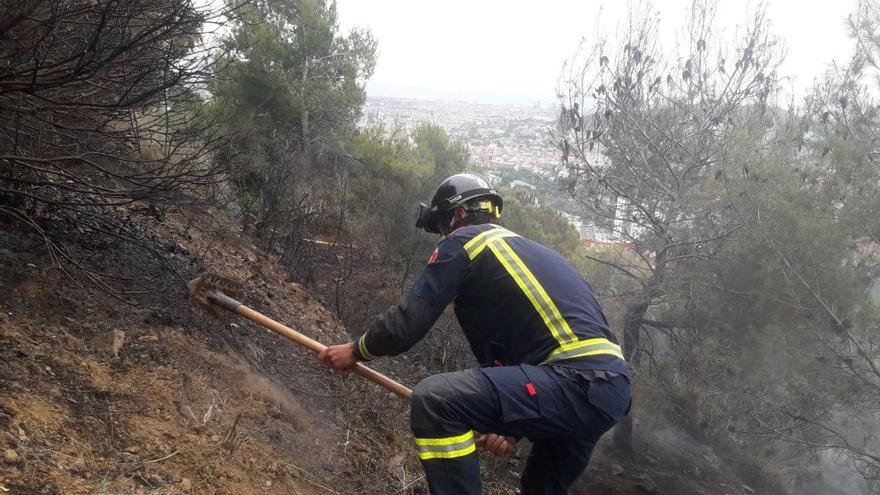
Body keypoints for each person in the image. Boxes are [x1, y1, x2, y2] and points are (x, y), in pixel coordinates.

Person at [319, 172, 631, 495]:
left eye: (441, 227)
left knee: (437, 401)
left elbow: (408, 323)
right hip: (610, 392)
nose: (442, 237)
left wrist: (356, 350)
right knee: (541, 487)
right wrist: (510, 429)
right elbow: (529, 357)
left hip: (573, 381)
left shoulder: (466, 241)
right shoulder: (536, 256)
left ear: (459, 215)